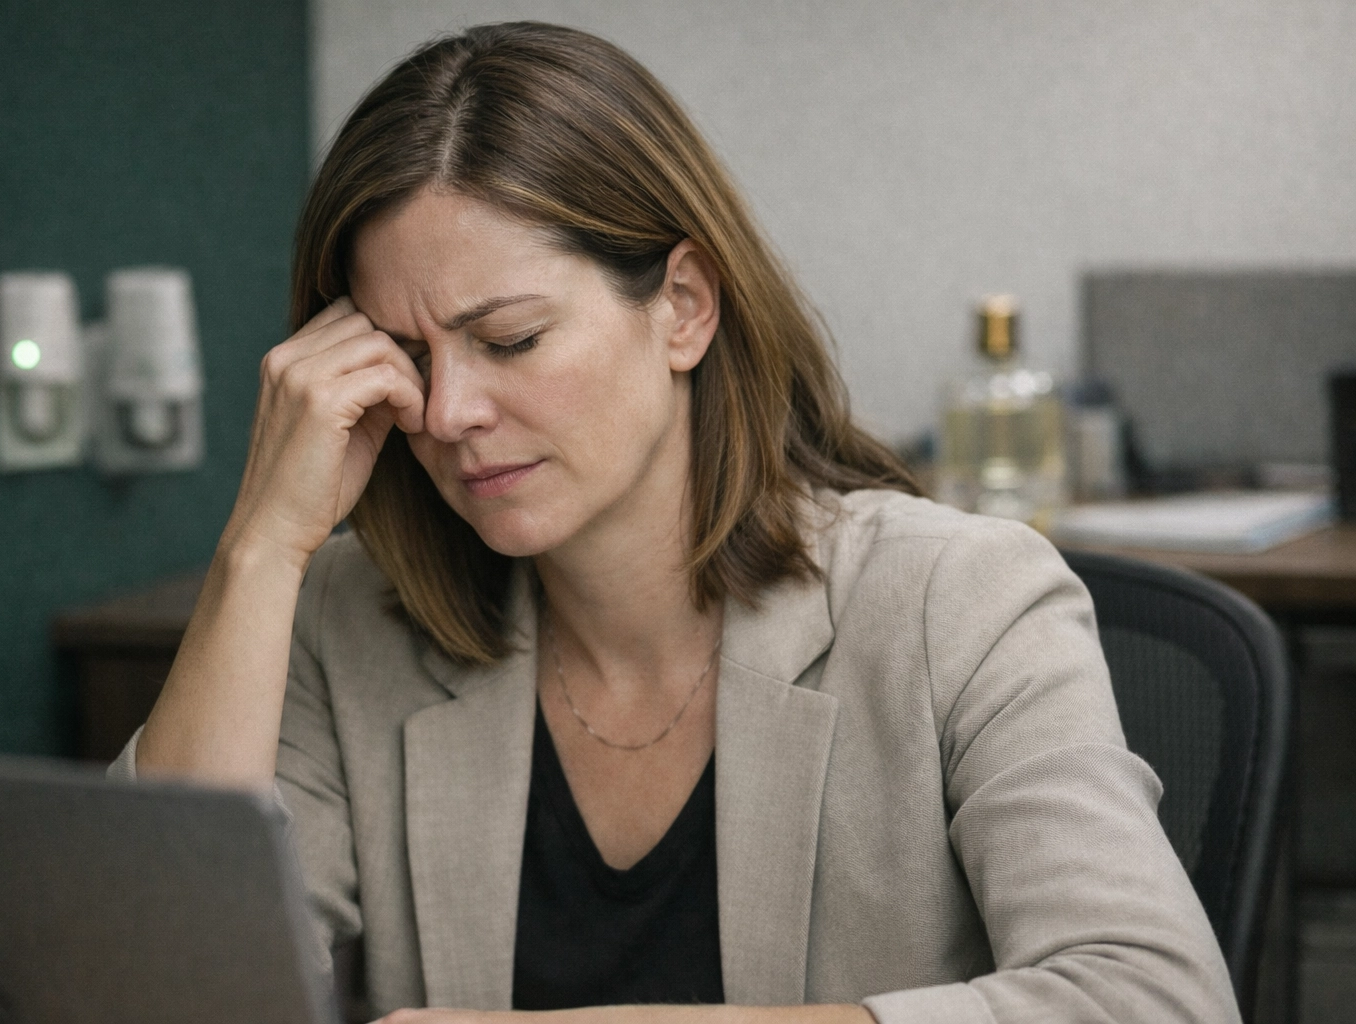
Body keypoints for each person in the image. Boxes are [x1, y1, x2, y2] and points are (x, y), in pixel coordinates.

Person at [110, 21, 1238, 1024]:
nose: (448, 413)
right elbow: (146, 986)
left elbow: (1153, 997)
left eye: (508, 341)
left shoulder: (963, 600)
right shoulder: (341, 619)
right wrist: (260, 548)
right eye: (406, 362)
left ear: (684, 309)